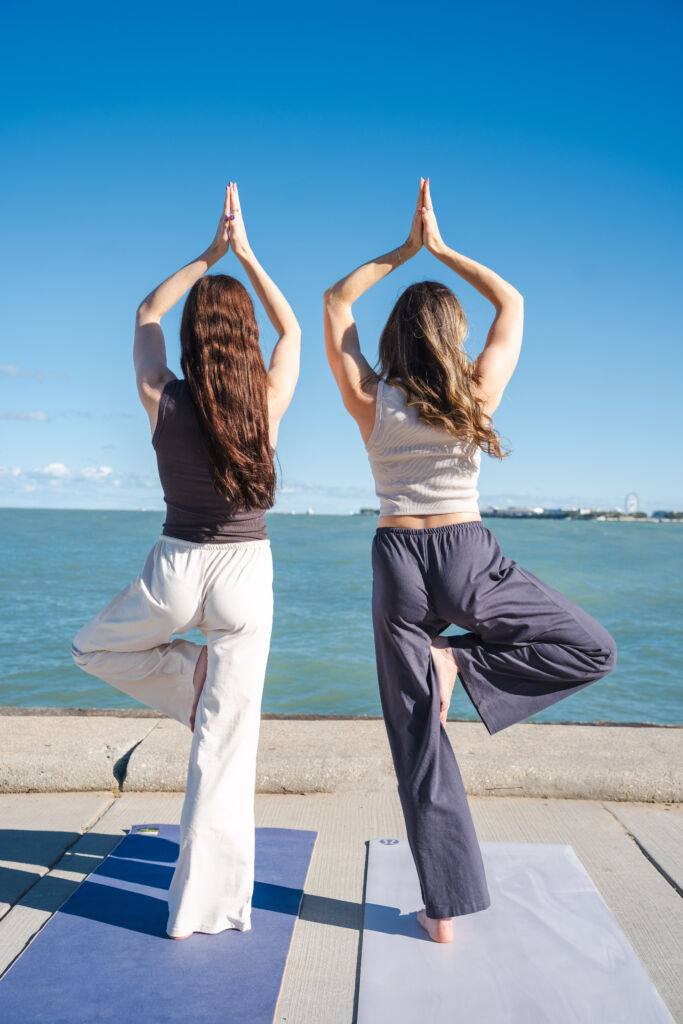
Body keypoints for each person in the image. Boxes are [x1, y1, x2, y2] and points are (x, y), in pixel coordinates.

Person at [323, 178, 617, 943]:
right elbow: (513, 303)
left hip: (397, 557)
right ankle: (465, 667)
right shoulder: (475, 393)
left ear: (396, 336)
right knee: (591, 649)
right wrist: (445, 248)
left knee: (416, 741)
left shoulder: (369, 396)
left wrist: (402, 250)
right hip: (465, 552)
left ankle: (443, 908)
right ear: (450, 335)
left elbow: (332, 301)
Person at [71, 182, 301, 939]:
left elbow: (145, 312)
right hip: (245, 573)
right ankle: (201, 909)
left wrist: (206, 254)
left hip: (174, 565)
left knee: (93, 648)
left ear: (196, 336)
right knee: (224, 752)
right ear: (242, 337)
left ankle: (183, 677)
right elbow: (292, 328)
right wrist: (246, 255)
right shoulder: (265, 399)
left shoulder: (160, 394)